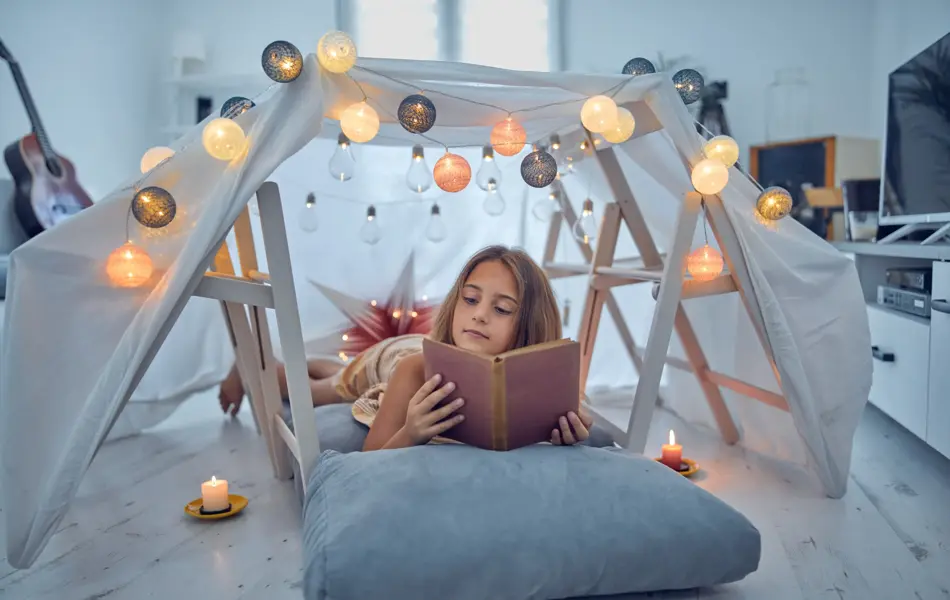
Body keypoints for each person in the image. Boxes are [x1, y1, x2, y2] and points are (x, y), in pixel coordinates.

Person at [218, 245, 593, 451]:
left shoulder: (547, 380)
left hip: (412, 348)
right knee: (321, 390)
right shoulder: (415, 369)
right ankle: (252, 362)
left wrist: (574, 431)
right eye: (470, 299)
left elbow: (578, 417)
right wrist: (411, 432)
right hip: (391, 356)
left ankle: (320, 362)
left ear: (528, 323)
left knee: (332, 370)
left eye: (501, 309)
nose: (478, 315)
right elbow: (372, 457)